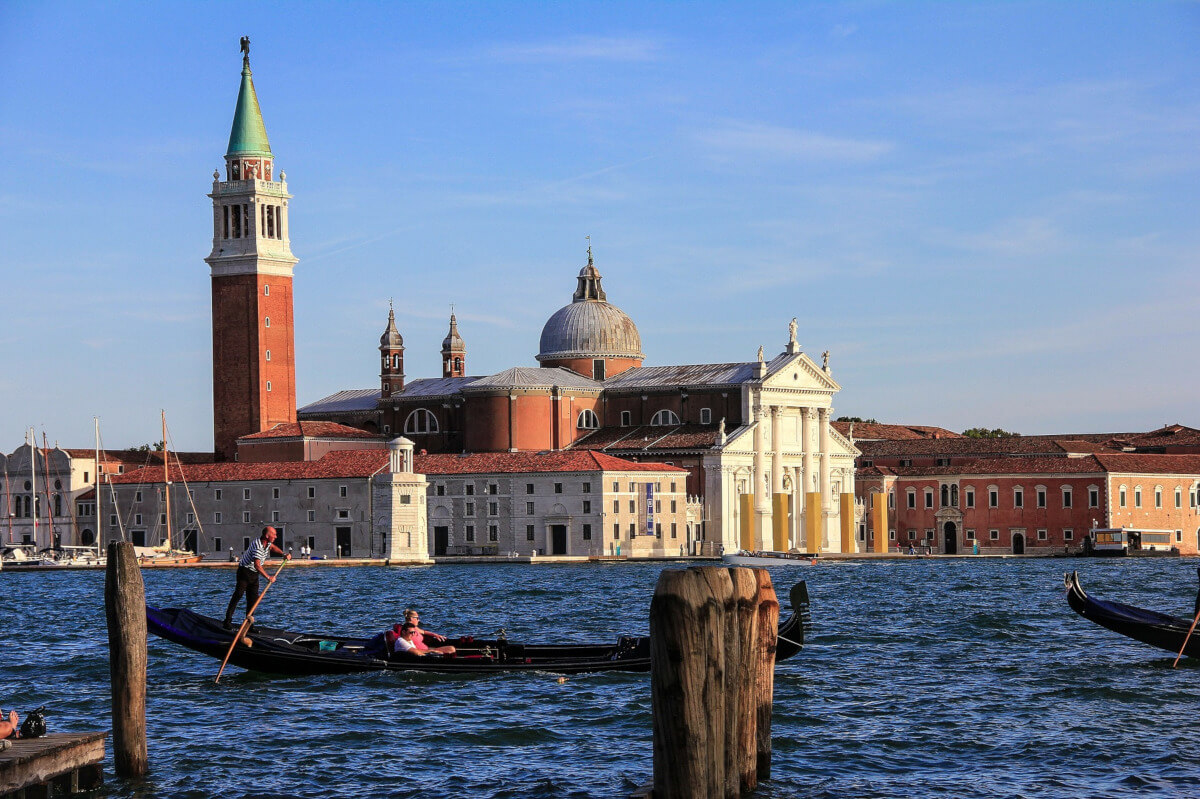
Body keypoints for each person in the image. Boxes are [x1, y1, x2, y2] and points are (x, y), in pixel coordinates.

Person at [223, 526, 290, 630]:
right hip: (244, 571)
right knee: (238, 595)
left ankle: (248, 625)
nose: (276, 537)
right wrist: (268, 577)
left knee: (252, 600)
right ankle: (227, 621)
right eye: (274, 534)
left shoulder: (267, 543)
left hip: (254, 574)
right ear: (267, 536)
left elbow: (272, 547)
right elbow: (257, 565)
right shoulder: (258, 546)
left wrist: (283, 554)